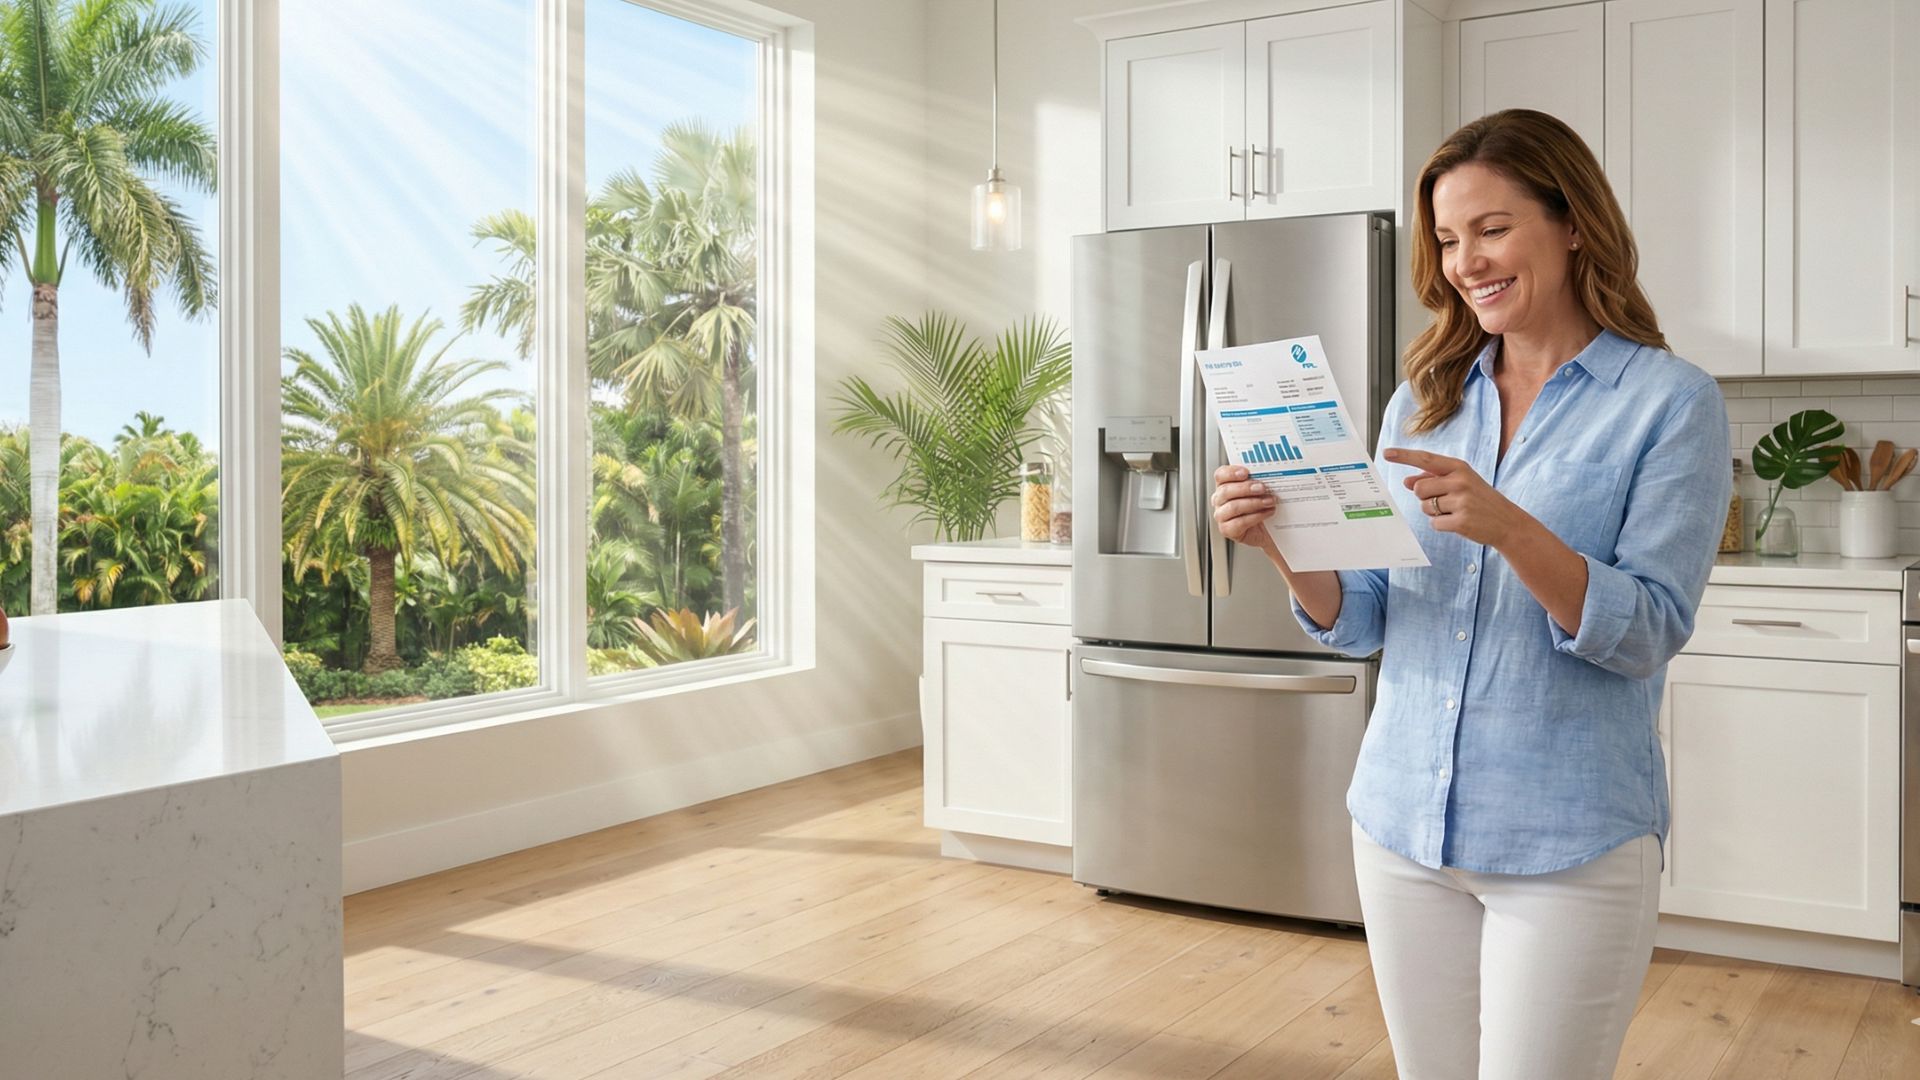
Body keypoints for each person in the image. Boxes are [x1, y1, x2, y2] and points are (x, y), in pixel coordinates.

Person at [1210, 108, 1730, 1080]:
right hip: (1401, 822)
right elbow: (1365, 615)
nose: (1465, 262)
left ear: (1573, 222)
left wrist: (1514, 530)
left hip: (1568, 842)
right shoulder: (1425, 399)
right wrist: (1285, 543)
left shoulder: (1671, 402)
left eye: (1490, 228)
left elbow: (1649, 630)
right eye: (1448, 239)